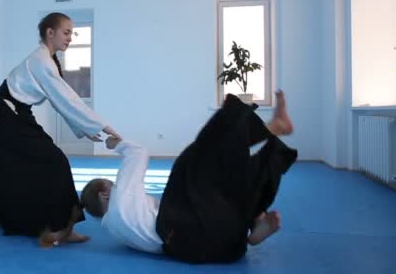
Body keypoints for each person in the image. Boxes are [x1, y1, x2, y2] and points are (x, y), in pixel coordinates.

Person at [0, 12, 121, 245]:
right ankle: (64, 227)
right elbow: (67, 98)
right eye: (66, 32)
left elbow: (60, 100)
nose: (70, 38)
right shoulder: (41, 61)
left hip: (14, 113)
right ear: (50, 32)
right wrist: (102, 125)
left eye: (72, 34)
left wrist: (85, 127)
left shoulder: (49, 61)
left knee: (3, 163)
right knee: (55, 161)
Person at [80, 91, 297, 262]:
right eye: (112, 184)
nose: (117, 185)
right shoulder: (119, 201)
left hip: (207, 245)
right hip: (182, 226)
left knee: (217, 187)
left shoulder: (116, 229)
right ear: (104, 194)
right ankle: (274, 127)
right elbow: (138, 153)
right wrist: (115, 143)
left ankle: (255, 223)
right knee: (195, 159)